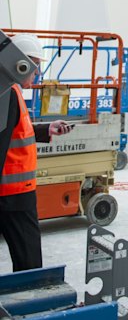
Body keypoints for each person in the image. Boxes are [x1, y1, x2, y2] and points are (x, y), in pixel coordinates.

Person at [0, 34, 73, 272]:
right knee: (29, 263)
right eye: (34, 65)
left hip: (12, 193)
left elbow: (14, 132)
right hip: (15, 195)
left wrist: (46, 129)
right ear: (19, 63)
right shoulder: (8, 92)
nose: (36, 72)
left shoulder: (11, 90)